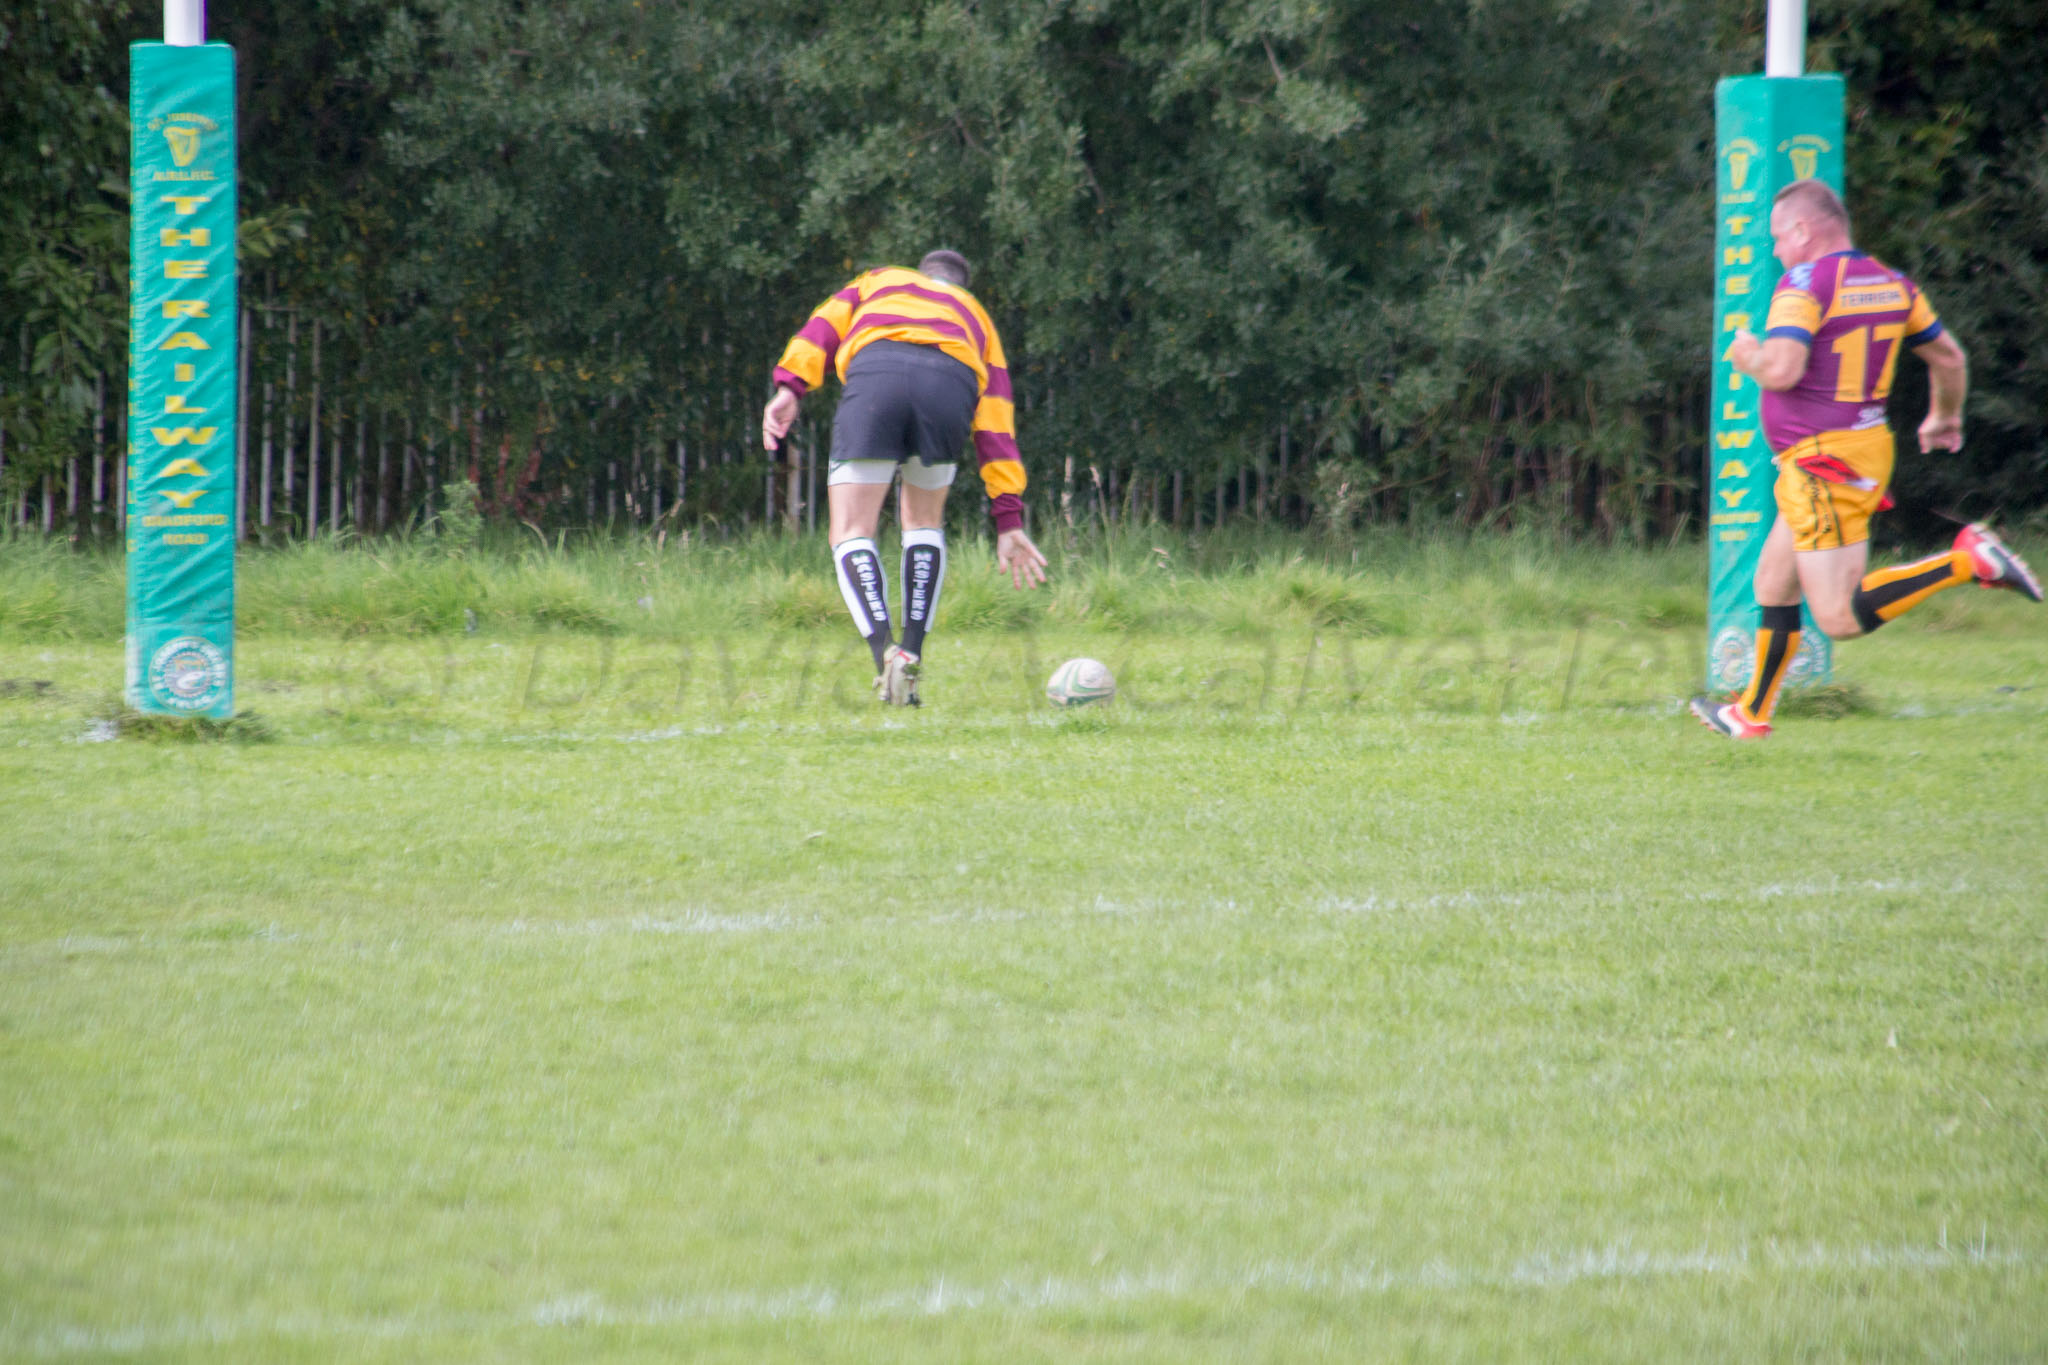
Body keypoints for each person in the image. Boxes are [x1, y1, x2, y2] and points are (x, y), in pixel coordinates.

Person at [1692, 179, 2040, 739]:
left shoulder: (1803, 282)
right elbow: (1949, 358)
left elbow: (1782, 369)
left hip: (1822, 462)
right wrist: (1945, 416)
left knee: (1839, 616)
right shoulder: (1891, 284)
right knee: (1774, 583)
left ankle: (1966, 560)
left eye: (1778, 237)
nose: (1776, 251)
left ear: (1803, 230)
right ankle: (1750, 713)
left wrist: (1749, 355)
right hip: (1856, 448)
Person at [762, 249, 1047, 707]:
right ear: (961, 286)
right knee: (923, 522)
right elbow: (996, 422)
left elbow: (821, 329)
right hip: (949, 384)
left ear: (922, 273)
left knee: (851, 530)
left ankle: (885, 655)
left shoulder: (882, 279)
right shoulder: (975, 316)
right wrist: (1007, 517)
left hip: (880, 374)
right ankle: (910, 659)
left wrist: (789, 387)